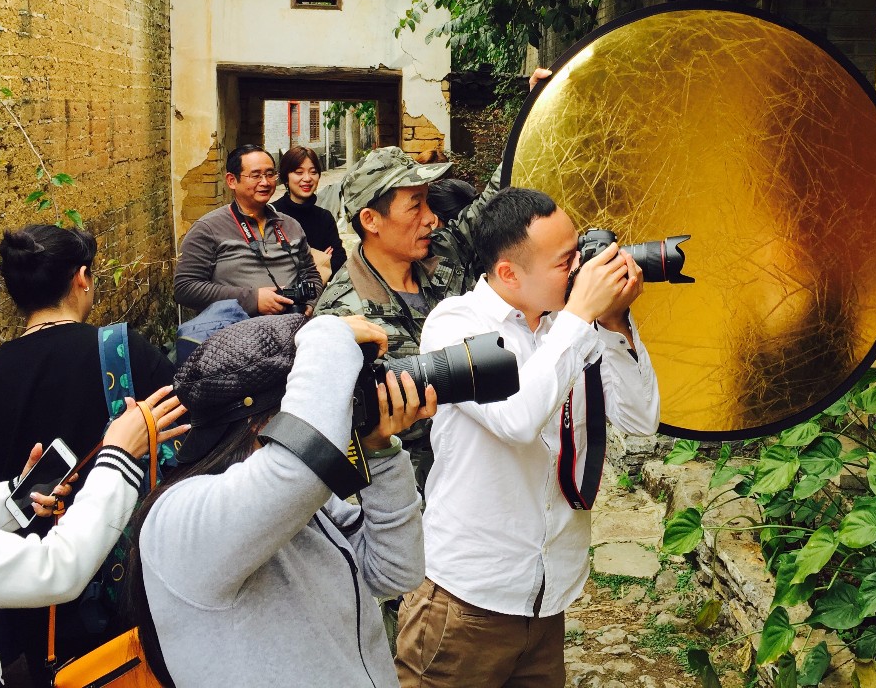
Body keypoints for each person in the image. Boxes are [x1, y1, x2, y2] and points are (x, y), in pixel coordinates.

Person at [394, 187, 661, 688]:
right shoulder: (455, 325)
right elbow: (517, 419)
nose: (581, 268)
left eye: (578, 252)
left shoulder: (571, 327)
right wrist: (581, 317)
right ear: (509, 272)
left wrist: (614, 321)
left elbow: (640, 420)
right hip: (466, 601)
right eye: (566, 262)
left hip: (548, 599)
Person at [125, 311, 436, 688]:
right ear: (259, 421)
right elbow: (298, 471)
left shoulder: (298, 503)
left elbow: (394, 571)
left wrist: (378, 451)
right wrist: (325, 331)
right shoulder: (176, 519)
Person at [0, 283, 187, 688]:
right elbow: (56, 569)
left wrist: (12, 499)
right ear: (82, 279)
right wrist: (119, 455)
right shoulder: (128, 348)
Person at [313, 146, 494, 490]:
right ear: (371, 220)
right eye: (416, 206)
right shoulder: (342, 318)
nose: (432, 218)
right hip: (418, 497)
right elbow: (345, 438)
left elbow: (500, 192)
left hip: (486, 473)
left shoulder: (443, 252)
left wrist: (535, 101)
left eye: (428, 202)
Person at [173, 144, 322, 316]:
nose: (265, 182)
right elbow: (185, 288)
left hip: (292, 326)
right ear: (231, 180)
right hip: (235, 330)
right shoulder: (208, 228)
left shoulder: (290, 226)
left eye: (270, 174)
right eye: (256, 176)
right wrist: (252, 300)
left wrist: (309, 303)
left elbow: (312, 275)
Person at [273, 145, 348, 282]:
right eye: (299, 172)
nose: (307, 178)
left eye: (313, 172)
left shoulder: (324, 218)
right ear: (285, 177)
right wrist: (320, 260)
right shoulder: (272, 215)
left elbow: (339, 260)